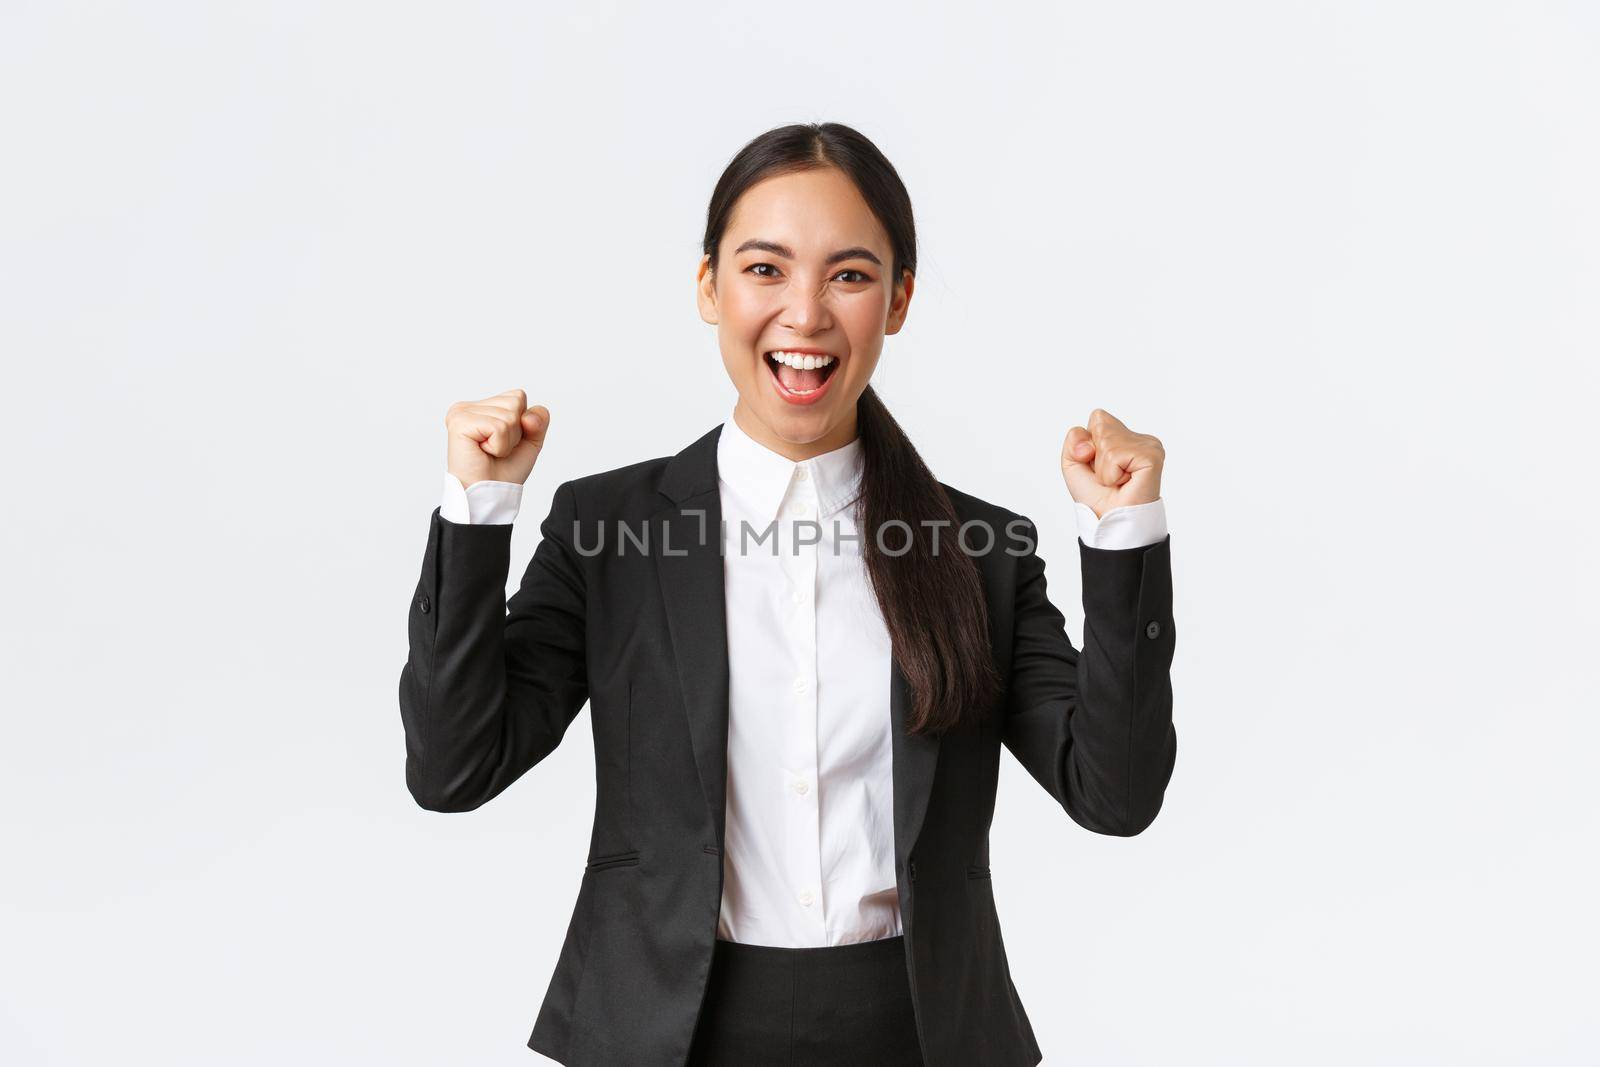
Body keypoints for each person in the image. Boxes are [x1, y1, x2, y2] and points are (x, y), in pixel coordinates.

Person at [398, 121, 1177, 1067]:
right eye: (765, 269)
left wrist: (1124, 534)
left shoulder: (979, 552)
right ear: (708, 287)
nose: (804, 314)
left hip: (920, 1035)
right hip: (663, 1032)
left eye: (848, 276)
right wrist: (479, 511)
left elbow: (1116, 793)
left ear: (897, 302)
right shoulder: (608, 530)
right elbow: (454, 767)